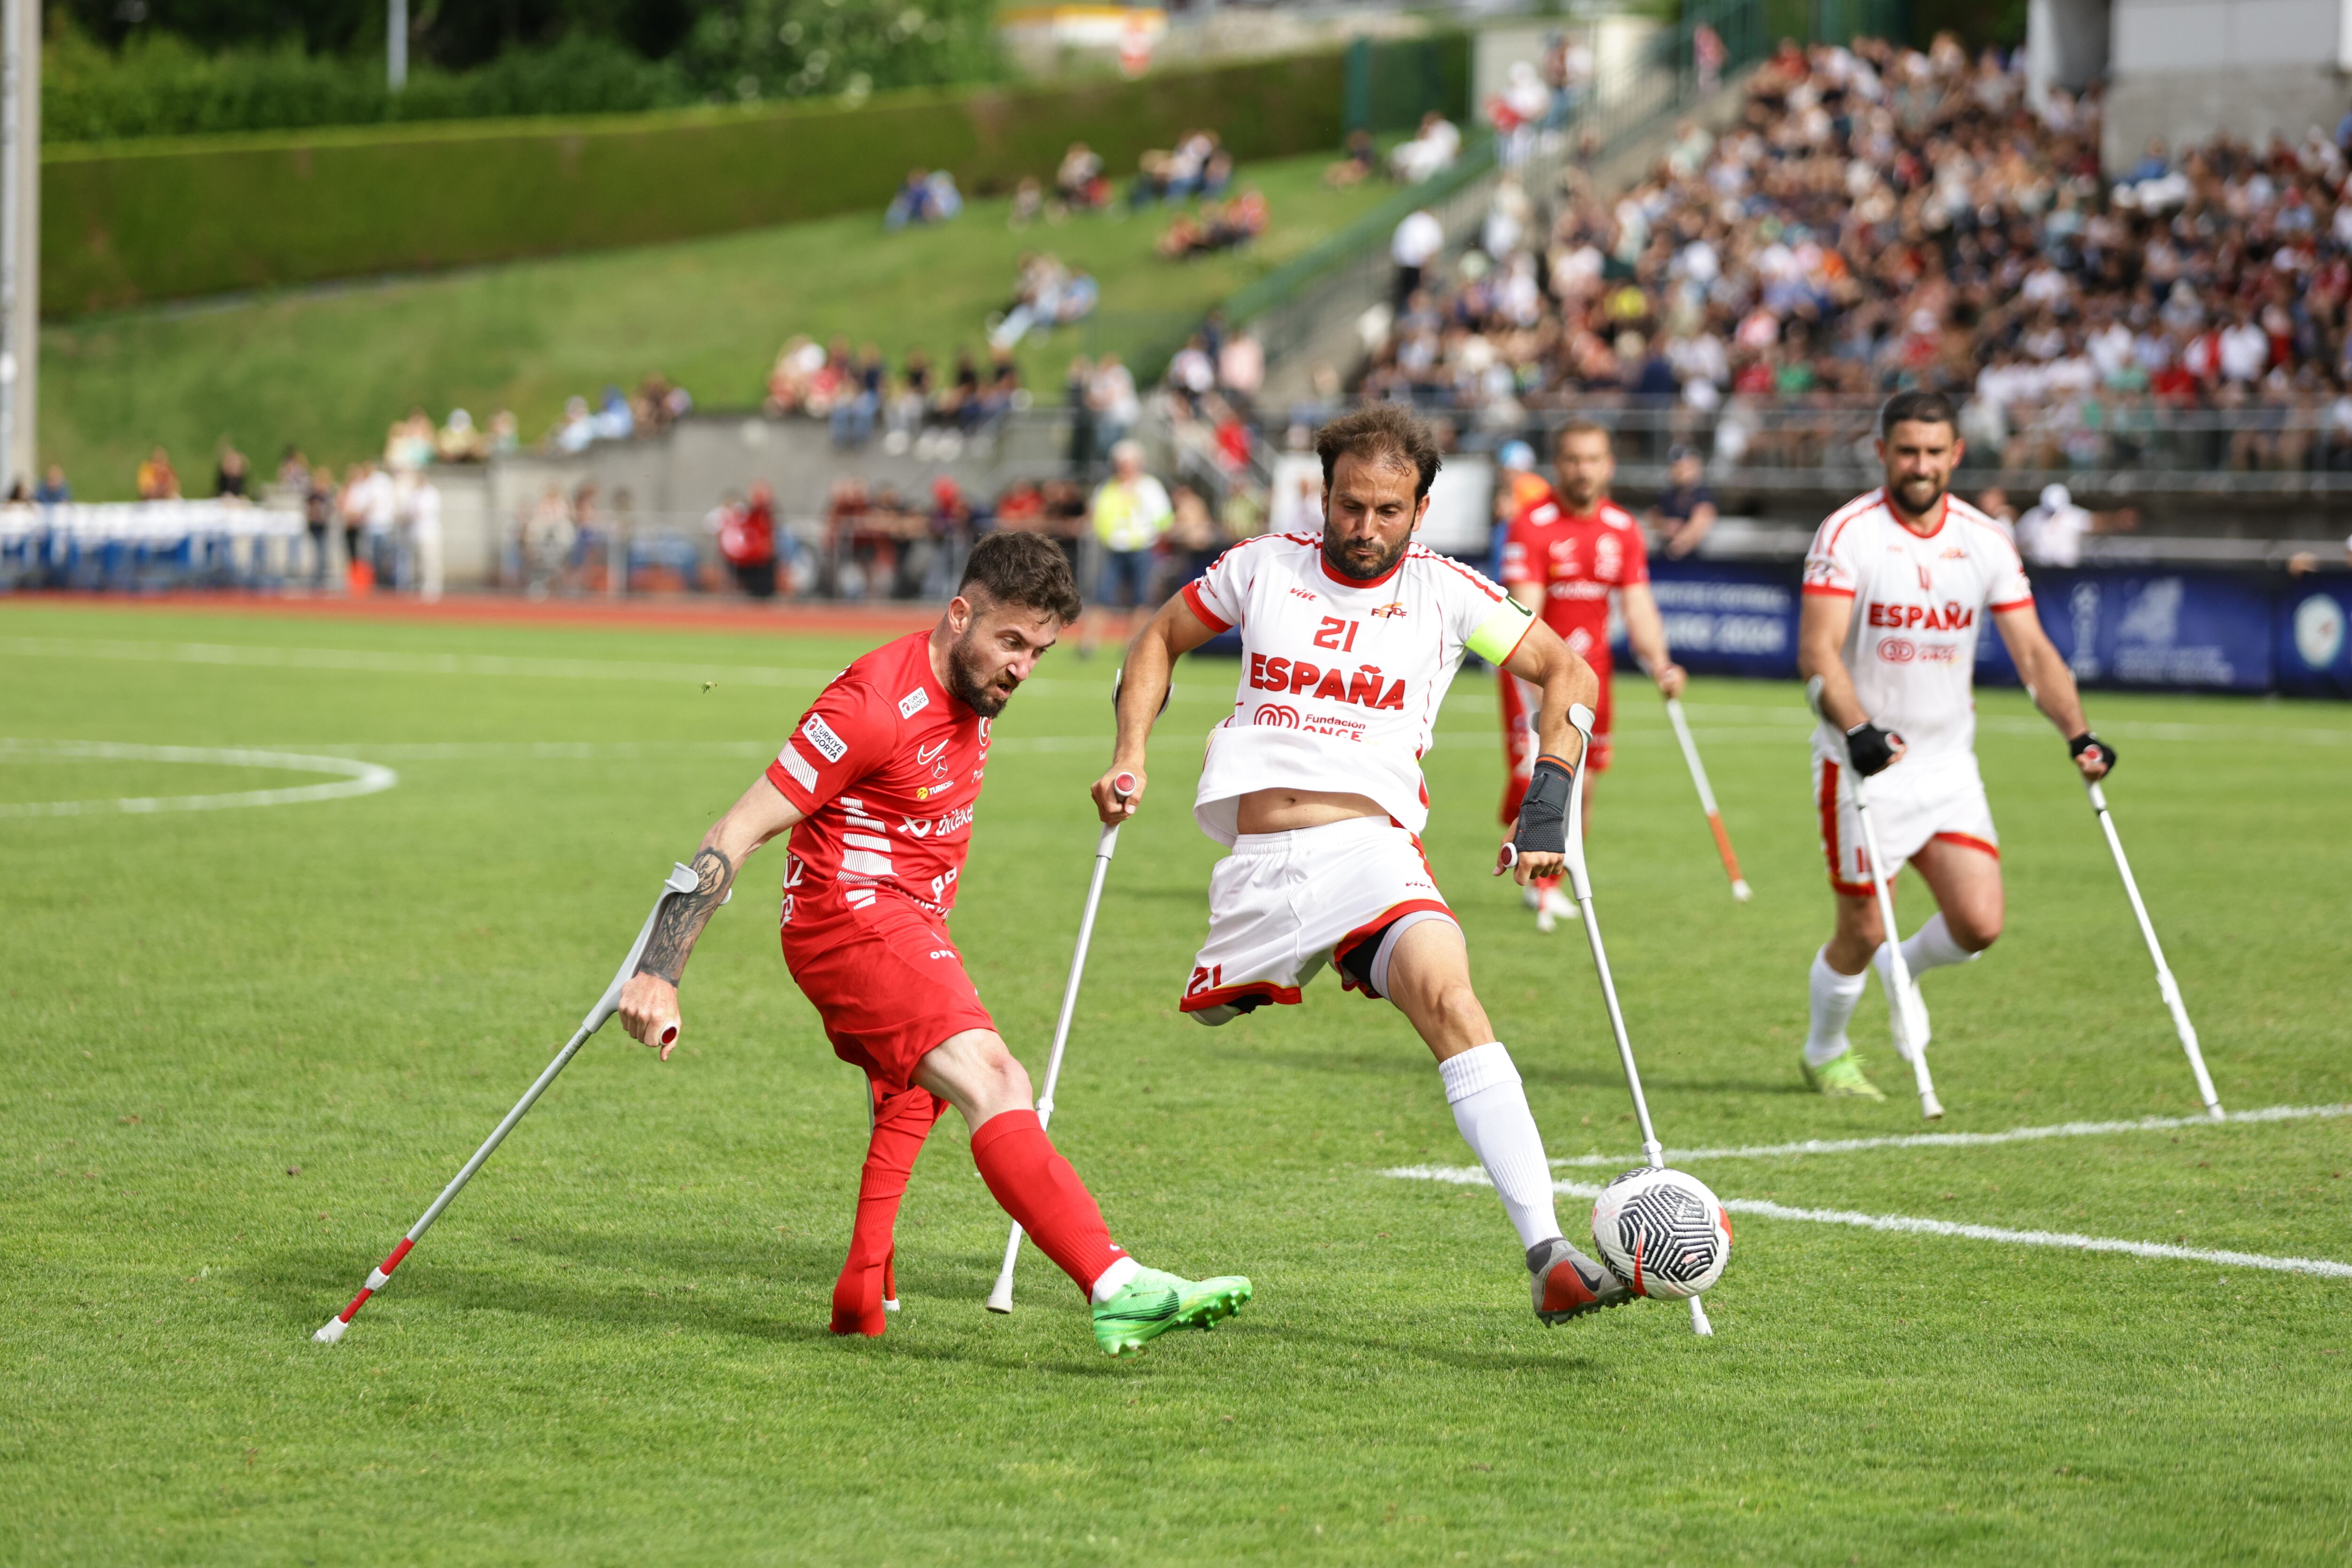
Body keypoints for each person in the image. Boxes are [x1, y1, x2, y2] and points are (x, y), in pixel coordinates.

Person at [614, 533, 1252, 1355]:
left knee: (920, 1086)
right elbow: (734, 831)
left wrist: (1121, 766)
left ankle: (861, 1288)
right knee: (994, 1073)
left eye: (1040, 650)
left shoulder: (975, 687)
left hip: (909, 916)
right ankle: (1116, 1284)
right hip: (849, 921)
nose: (1022, 667)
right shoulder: (871, 704)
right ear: (960, 615)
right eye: (1010, 642)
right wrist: (659, 972)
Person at [1093, 404, 1646, 1328]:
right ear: (1322, 494)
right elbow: (1156, 638)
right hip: (1263, 864)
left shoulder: (1449, 592)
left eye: (1388, 510)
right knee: (1222, 1008)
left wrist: (1548, 795)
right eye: (1350, 506)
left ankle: (1546, 1250)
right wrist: (1130, 752)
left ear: (1421, 508)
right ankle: (1289, 958)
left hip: (1373, 850)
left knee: (1449, 993)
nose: (1364, 528)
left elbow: (1568, 672)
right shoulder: (1260, 566)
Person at [1796, 390, 2115, 1100]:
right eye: (1907, 451)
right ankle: (1826, 1051)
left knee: (1980, 923)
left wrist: (2080, 734)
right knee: (1863, 927)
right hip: (1864, 767)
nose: (1921, 465)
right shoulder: (1848, 534)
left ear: (1956, 455)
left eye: (1935, 452)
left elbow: (2033, 653)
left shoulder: (1985, 539)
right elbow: (1818, 651)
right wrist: (1858, 731)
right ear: (1882, 452)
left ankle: (1905, 967)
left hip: (1948, 766)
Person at [1496, 422, 1686, 931]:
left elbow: (1639, 606)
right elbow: (1524, 615)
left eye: (1593, 459)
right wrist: (1537, 680)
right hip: (1536, 674)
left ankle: (1548, 880)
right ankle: (1535, 876)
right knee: (1537, 777)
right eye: (1574, 459)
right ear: (1558, 465)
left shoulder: (1622, 528)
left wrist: (1660, 663)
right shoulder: (1531, 524)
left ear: (1609, 465)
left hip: (1594, 675)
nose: (1583, 469)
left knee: (1586, 784)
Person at [1081, 439, 1172, 655]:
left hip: (1141, 548)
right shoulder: (1107, 487)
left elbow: (1164, 520)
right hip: (1113, 549)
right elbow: (1095, 514)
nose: (1124, 467)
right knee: (1102, 595)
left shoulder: (1150, 487)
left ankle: (1131, 643)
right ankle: (1089, 644)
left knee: (1141, 599)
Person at [1649, 446, 1718, 559]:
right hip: (1667, 553)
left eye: (1687, 467)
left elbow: (1702, 520)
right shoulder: (1668, 494)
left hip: (1693, 557)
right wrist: (1665, 525)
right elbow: (1654, 514)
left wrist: (1681, 542)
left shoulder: (1703, 494)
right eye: (1678, 467)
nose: (1681, 472)